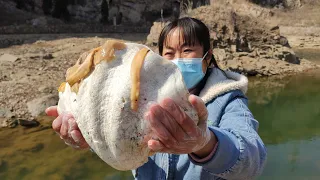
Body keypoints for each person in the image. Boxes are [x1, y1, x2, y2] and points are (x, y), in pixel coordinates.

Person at [46, 17, 267, 179]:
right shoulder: (138, 94)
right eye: (169, 53)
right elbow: (119, 137)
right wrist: (89, 135)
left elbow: (251, 161)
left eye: (188, 50)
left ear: (207, 57)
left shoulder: (227, 100)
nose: (177, 59)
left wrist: (205, 142)